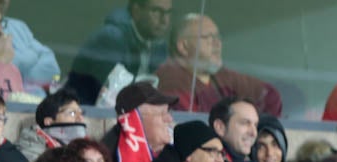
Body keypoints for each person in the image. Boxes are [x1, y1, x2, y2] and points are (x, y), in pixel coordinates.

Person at [152, 14, 280, 116]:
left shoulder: (219, 75)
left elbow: (269, 95)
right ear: (183, 46)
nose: (217, 43)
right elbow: (193, 126)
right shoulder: (170, 79)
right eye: (208, 37)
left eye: (218, 36)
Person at [66, 0, 172, 106]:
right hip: (87, 112)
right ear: (136, 10)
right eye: (156, 11)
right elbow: (109, 97)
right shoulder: (111, 38)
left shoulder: (159, 46)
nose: (164, 20)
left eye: (168, 12)